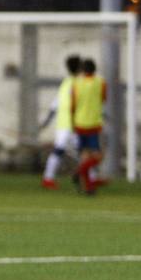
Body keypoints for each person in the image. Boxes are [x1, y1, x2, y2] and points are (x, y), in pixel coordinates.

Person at [39, 54, 81, 189]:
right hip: (73, 123)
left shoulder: (66, 82)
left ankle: (87, 176)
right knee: (65, 150)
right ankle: (48, 178)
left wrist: (47, 121)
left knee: (77, 151)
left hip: (64, 123)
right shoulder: (77, 83)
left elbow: (55, 104)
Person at [71, 57, 107, 195]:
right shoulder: (100, 82)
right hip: (93, 123)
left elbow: (73, 103)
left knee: (85, 155)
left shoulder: (77, 83)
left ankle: (89, 187)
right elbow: (104, 98)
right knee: (98, 156)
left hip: (79, 122)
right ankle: (79, 172)